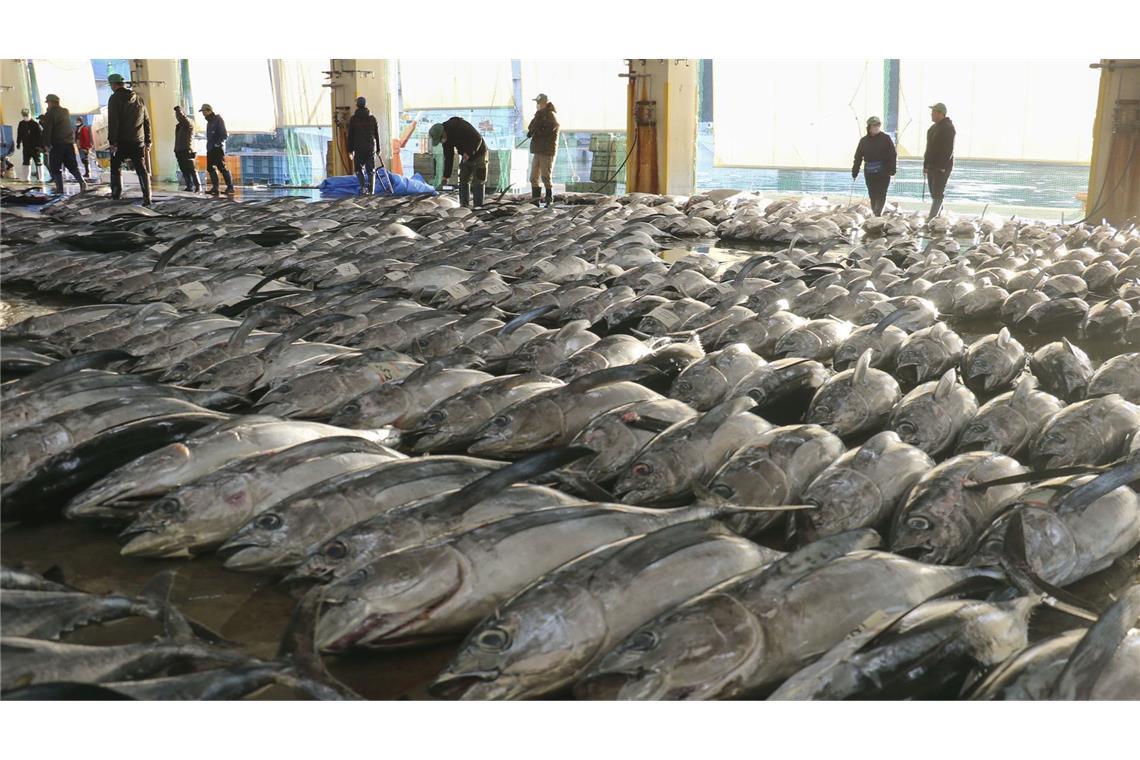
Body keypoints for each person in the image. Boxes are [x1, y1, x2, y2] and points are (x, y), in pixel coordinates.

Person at [106, 73, 152, 204]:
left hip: (121, 141)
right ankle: (147, 197)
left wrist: (112, 142)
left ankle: (116, 196)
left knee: (116, 167)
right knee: (141, 168)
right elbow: (146, 121)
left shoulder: (114, 99)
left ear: (114, 85)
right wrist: (148, 140)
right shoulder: (138, 99)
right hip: (138, 141)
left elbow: (113, 121)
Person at [428, 117, 487, 208]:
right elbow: (449, 156)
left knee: (478, 181)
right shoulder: (446, 139)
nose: (441, 141)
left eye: (440, 139)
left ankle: (478, 207)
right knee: (463, 179)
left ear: (443, 133)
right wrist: (446, 176)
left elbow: (478, 138)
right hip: (465, 157)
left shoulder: (460, 126)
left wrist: (469, 152)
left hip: (479, 153)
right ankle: (464, 206)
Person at [40, 94, 87, 194]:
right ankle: (82, 182)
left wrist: (46, 144)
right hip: (69, 143)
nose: (47, 105)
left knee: (55, 167)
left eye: (48, 103)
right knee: (72, 165)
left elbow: (48, 130)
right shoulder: (65, 111)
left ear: (51, 102)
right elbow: (62, 125)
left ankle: (59, 189)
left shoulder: (50, 114)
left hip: (57, 144)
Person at [851, 116, 896, 217]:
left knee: (881, 193)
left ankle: (877, 213)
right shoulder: (863, 141)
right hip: (869, 172)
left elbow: (893, 154)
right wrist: (855, 171)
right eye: (874, 125)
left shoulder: (886, 138)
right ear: (869, 127)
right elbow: (858, 157)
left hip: (884, 171)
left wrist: (892, 169)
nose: (876, 127)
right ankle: (875, 212)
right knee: (872, 194)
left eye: (878, 125)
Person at [923, 102, 955, 221]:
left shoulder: (948, 127)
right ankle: (938, 215)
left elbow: (949, 149)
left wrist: (942, 166)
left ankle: (932, 217)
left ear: (941, 113)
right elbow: (929, 148)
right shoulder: (933, 128)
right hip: (931, 165)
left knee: (938, 191)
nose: (931, 114)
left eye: (934, 112)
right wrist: (925, 165)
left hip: (942, 167)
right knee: (933, 191)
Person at [526, 93, 559, 208]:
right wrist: (531, 131)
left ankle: (549, 199)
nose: (537, 105)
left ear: (544, 103)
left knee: (545, 176)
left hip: (546, 151)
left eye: (538, 102)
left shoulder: (551, 116)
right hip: (537, 150)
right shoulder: (538, 115)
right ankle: (536, 200)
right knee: (533, 177)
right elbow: (532, 126)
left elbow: (550, 129)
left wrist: (536, 131)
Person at [347, 96, 380, 195]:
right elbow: (377, 135)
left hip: (359, 148)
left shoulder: (353, 119)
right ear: (366, 105)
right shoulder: (372, 118)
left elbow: (350, 136)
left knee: (358, 169)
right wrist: (378, 148)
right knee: (371, 170)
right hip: (370, 148)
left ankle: (363, 188)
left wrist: (350, 150)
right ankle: (371, 191)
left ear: (357, 105)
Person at [199, 103, 233, 195]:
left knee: (221, 167)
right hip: (210, 148)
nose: (203, 113)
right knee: (210, 168)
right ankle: (215, 188)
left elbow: (224, 134)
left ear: (208, 110)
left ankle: (230, 187)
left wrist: (218, 144)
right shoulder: (209, 122)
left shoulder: (218, 119)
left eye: (204, 111)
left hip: (217, 149)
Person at [173, 105, 200, 192]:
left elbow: (182, 118)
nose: (177, 117)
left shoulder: (188, 123)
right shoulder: (180, 126)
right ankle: (189, 186)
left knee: (191, 169)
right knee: (184, 169)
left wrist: (178, 110)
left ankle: (198, 186)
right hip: (180, 150)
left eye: (178, 115)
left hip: (187, 149)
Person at [16, 109, 44, 182]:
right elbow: (19, 134)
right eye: (24, 115)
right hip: (26, 146)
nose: (25, 116)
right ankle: (26, 178)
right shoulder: (21, 124)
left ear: (29, 115)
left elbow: (40, 136)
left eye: (26, 115)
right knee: (26, 162)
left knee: (38, 162)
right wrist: (18, 143)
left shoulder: (35, 124)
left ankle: (41, 178)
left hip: (35, 147)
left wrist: (40, 146)